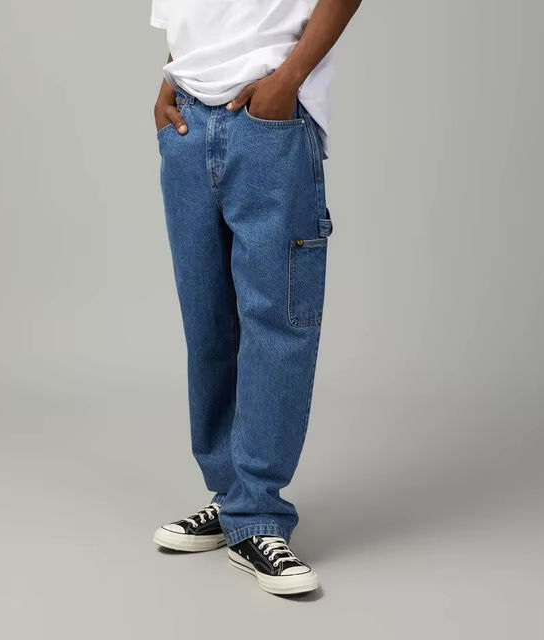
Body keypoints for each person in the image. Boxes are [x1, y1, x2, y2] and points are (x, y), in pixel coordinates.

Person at [150, 0, 361, 596]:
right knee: (208, 324)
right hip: (186, 121)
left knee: (276, 321)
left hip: (268, 122)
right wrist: (168, 80)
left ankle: (260, 513)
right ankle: (231, 499)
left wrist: (288, 81)